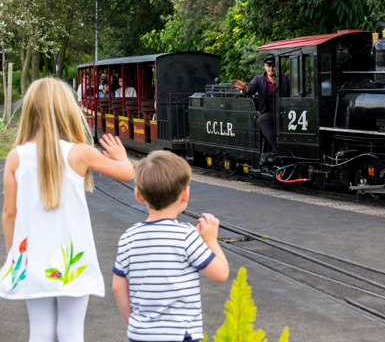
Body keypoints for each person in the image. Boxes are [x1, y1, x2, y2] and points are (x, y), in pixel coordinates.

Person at [0, 78, 135, 342]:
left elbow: (9, 213)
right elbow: (127, 174)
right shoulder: (80, 153)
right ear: (68, 111)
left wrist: (12, 256)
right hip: (73, 259)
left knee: (40, 330)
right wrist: (121, 157)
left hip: (31, 259)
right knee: (71, 331)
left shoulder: (16, 157)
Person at [112, 151, 229, 342]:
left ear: (138, 195)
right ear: (185, 194)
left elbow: (118, 287)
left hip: (140, 334)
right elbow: (221, 273)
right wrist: (210, 241)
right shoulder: (187, 236)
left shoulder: (128, 238)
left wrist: (134, 324)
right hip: (180, 335)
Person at [231, 55, 290, 164]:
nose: (271, 69)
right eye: (268, 66)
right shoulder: (259, 79)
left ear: (277, 67)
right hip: (270, 114)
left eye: (273, 66)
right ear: (265, 66)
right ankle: (278, 151)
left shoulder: (286, 78)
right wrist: (244, 89)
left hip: (286, 113)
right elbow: (250, 89)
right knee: (262, 120)